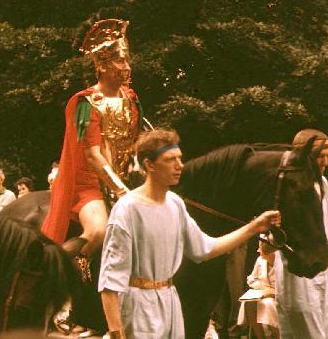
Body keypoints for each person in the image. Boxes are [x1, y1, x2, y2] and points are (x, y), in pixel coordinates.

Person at [98, 129, 281, 339]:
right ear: (149, 165)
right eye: (170, 159)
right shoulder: (127, 209)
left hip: (170, 303)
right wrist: (117, 334)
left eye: (180, 158)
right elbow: (110, 283)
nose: (180, 166)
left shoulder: (175, 204)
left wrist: (255, 226)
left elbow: (206, 249)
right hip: (138, 307)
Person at [43, 19, 143, 281]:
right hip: (90, 185)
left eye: (126, 60)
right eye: (119, 61)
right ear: (101, 65)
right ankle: (64, 268)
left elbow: (135, 142)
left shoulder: (130, 99)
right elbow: (93, 155)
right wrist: (121, 192)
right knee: (98, 230)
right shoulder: (86, 102)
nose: (127, 67)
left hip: (125, 179)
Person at [274, 128, 328, 339]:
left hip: (321, 264)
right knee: (301, 324)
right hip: (297, 263)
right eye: (320, 156)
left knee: (325, 323)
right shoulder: (286, 182)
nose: (325, 161)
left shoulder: (324, 183)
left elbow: (326, 232)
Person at [237, 237, 279, 339]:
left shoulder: (281, 264)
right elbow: (251, 279)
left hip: (279, 298)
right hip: (263, 294)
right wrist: (262, 288)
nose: (258, 251)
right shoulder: (260, 260)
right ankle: (260, 336)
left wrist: (272, 292)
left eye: (261, 249)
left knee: (267, 303)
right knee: (248, 302)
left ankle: (277, 335)